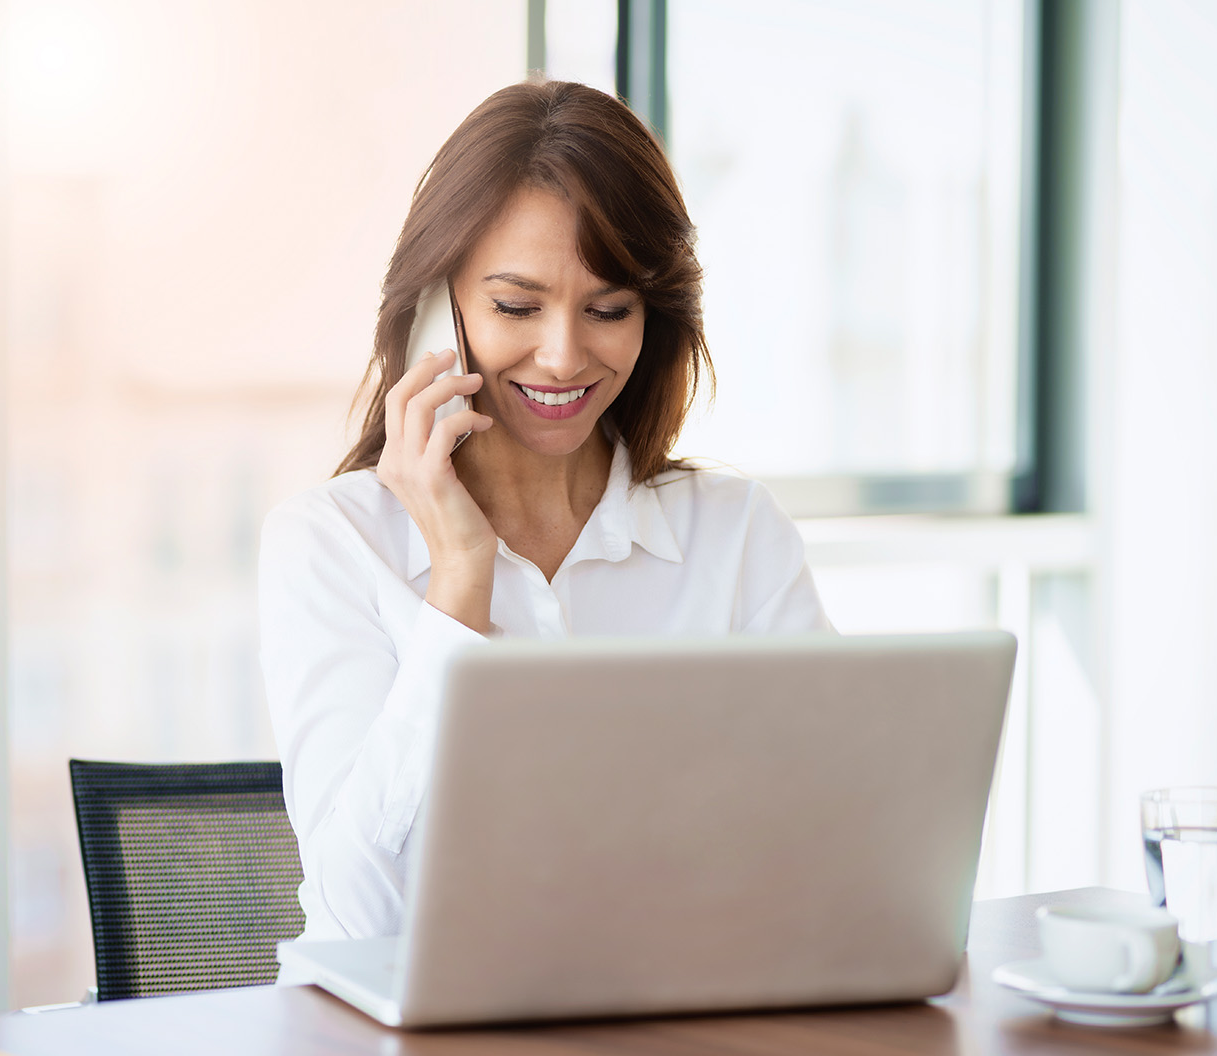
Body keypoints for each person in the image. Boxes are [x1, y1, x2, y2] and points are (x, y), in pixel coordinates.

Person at [259, 80, 831, 944]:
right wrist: (459, 581)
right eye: (516, 306)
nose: (563, 356)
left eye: (609, 310)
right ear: (434, 311)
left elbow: (834, 849)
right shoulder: (331, 545)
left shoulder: (738, 535)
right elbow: (363, 915)